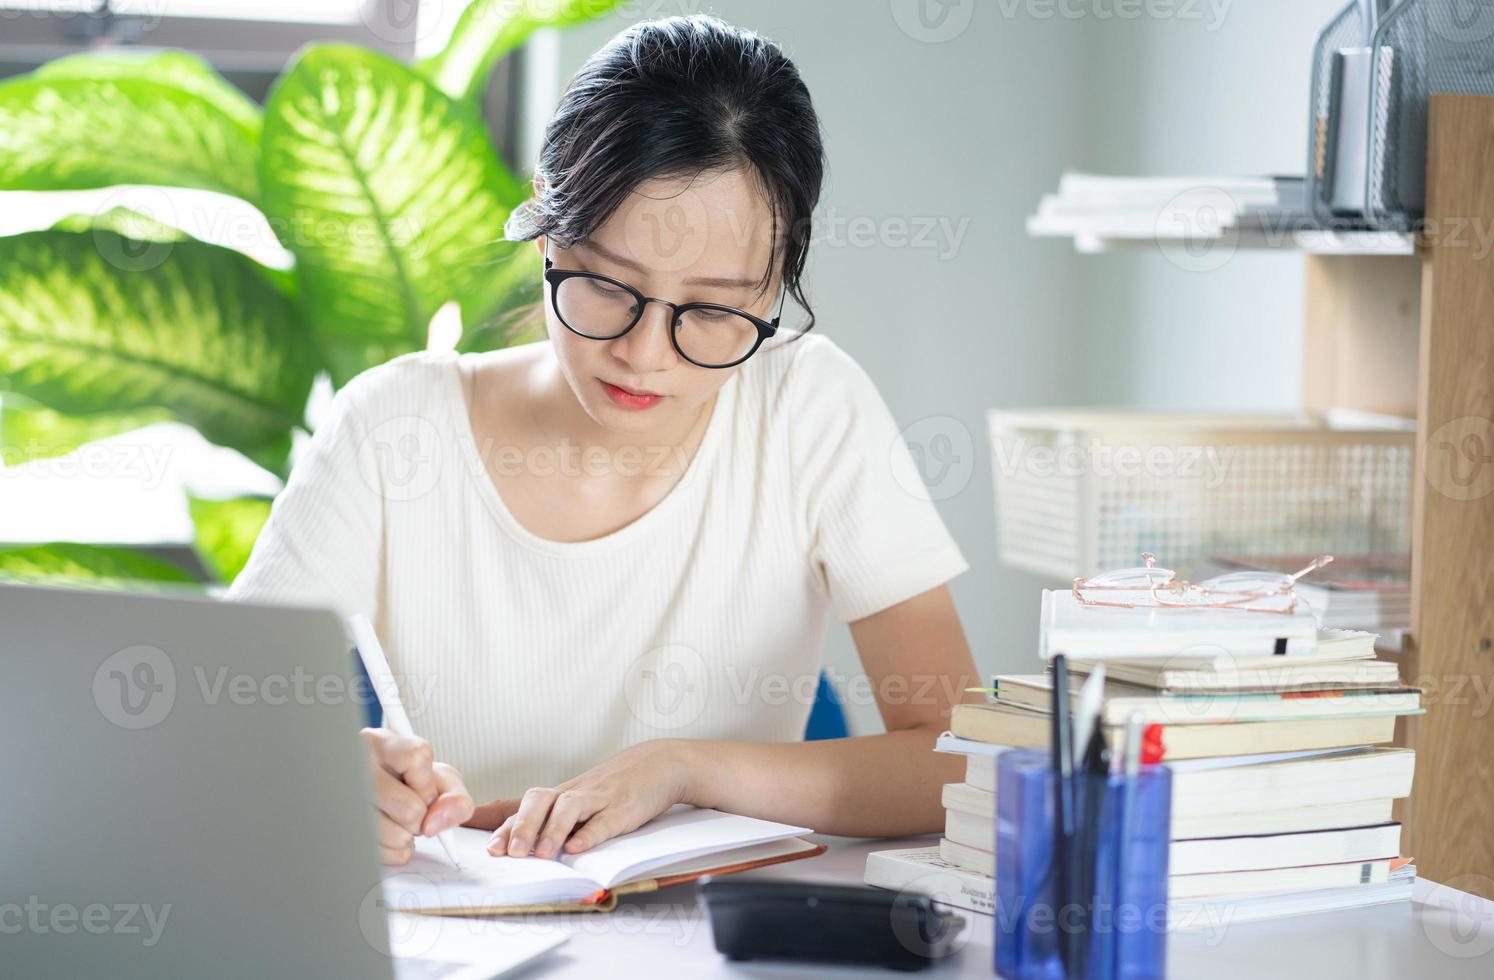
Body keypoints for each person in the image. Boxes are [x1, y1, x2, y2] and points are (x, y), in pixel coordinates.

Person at [228, 13, 979, 866]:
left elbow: (960, 761)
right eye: (605, 286)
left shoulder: (809, 405)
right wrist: (326, 771)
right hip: (456, 933)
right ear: (548, 232)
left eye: (712, 309)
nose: (644, 353)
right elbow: (215, 727)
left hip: (713, 941)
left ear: (774, 293)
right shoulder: (394, 426)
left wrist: (684, 767)